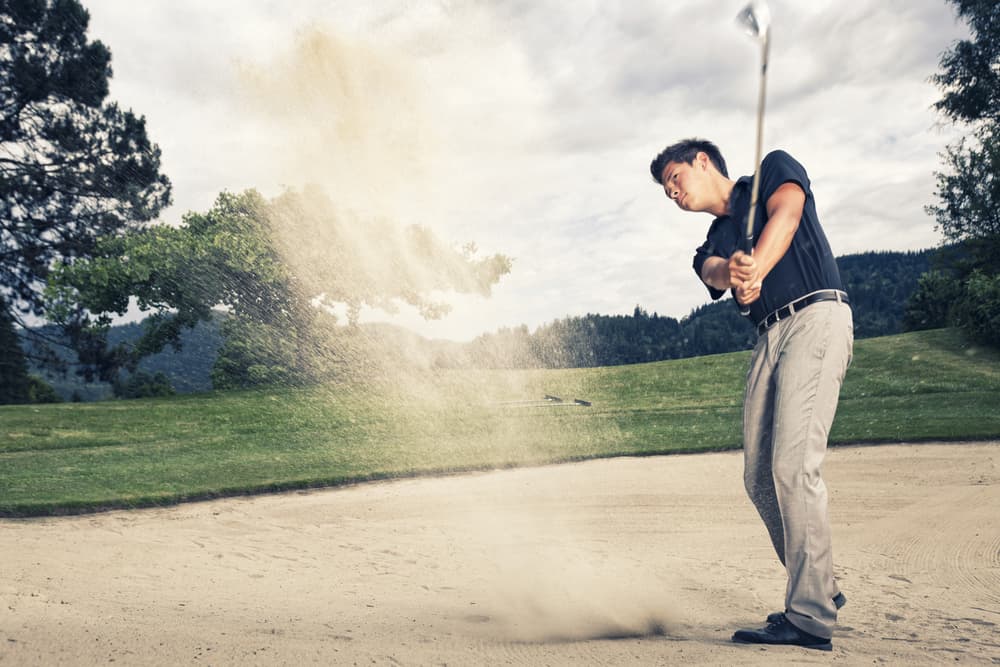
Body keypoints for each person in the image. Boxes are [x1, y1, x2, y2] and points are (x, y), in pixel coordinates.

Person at [649, 138, 853, 651]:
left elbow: (787, 212)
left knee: (792, 464)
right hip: (769, 335)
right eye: (665, 190)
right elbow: (711, 271)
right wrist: (735, 272)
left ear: (702, 162)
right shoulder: (714, 238)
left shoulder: (770, 171)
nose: (672, 193)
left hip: (815, 315)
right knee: (759, 475)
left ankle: (809, 618)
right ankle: (820, 587)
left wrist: (758, 263)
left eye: (675, 178)